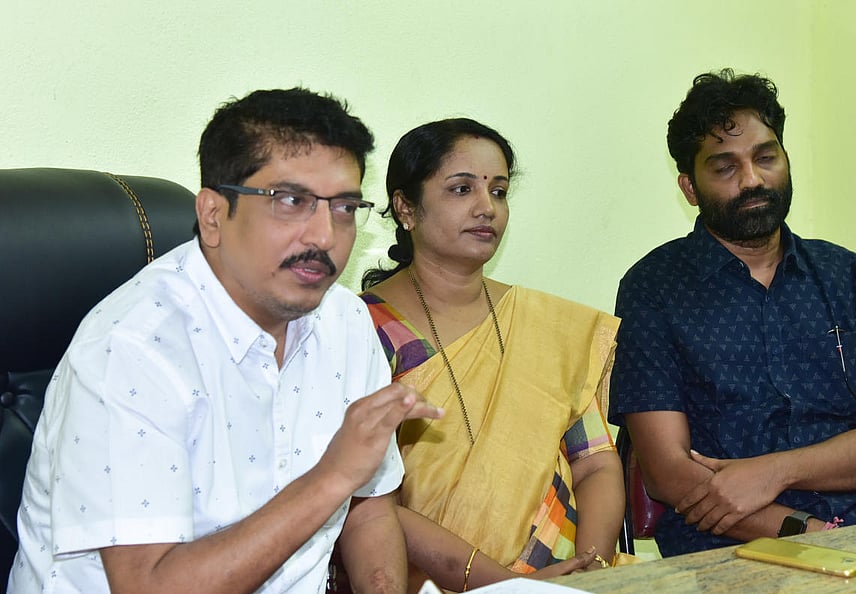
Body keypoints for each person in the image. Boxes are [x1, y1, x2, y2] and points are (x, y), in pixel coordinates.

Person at [8, 87, 442, 593]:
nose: (325, 236)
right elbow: (150, 588)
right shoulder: (132, 348)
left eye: (344, 207)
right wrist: (331, 477)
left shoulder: (344, 321)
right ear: (214, 215)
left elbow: (370, 511)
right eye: (291, 201)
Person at [609, 68, 856, 557]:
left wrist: (774, 470)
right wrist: (806, 536)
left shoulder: (846, 275)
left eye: (766, 158)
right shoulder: (654, 288)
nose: (752, 180)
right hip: (725, 552)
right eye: (725, 167)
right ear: (689, 187)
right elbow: (667, 472)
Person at [359, 118, 624, 591]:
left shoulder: (543, 322)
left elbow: (596, 462)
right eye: (462, 190)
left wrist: (593, 573)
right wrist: (509, 587)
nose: (487, 208)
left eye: (498, 192)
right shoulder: (363, 329)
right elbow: (371, 504)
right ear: (406, 208)